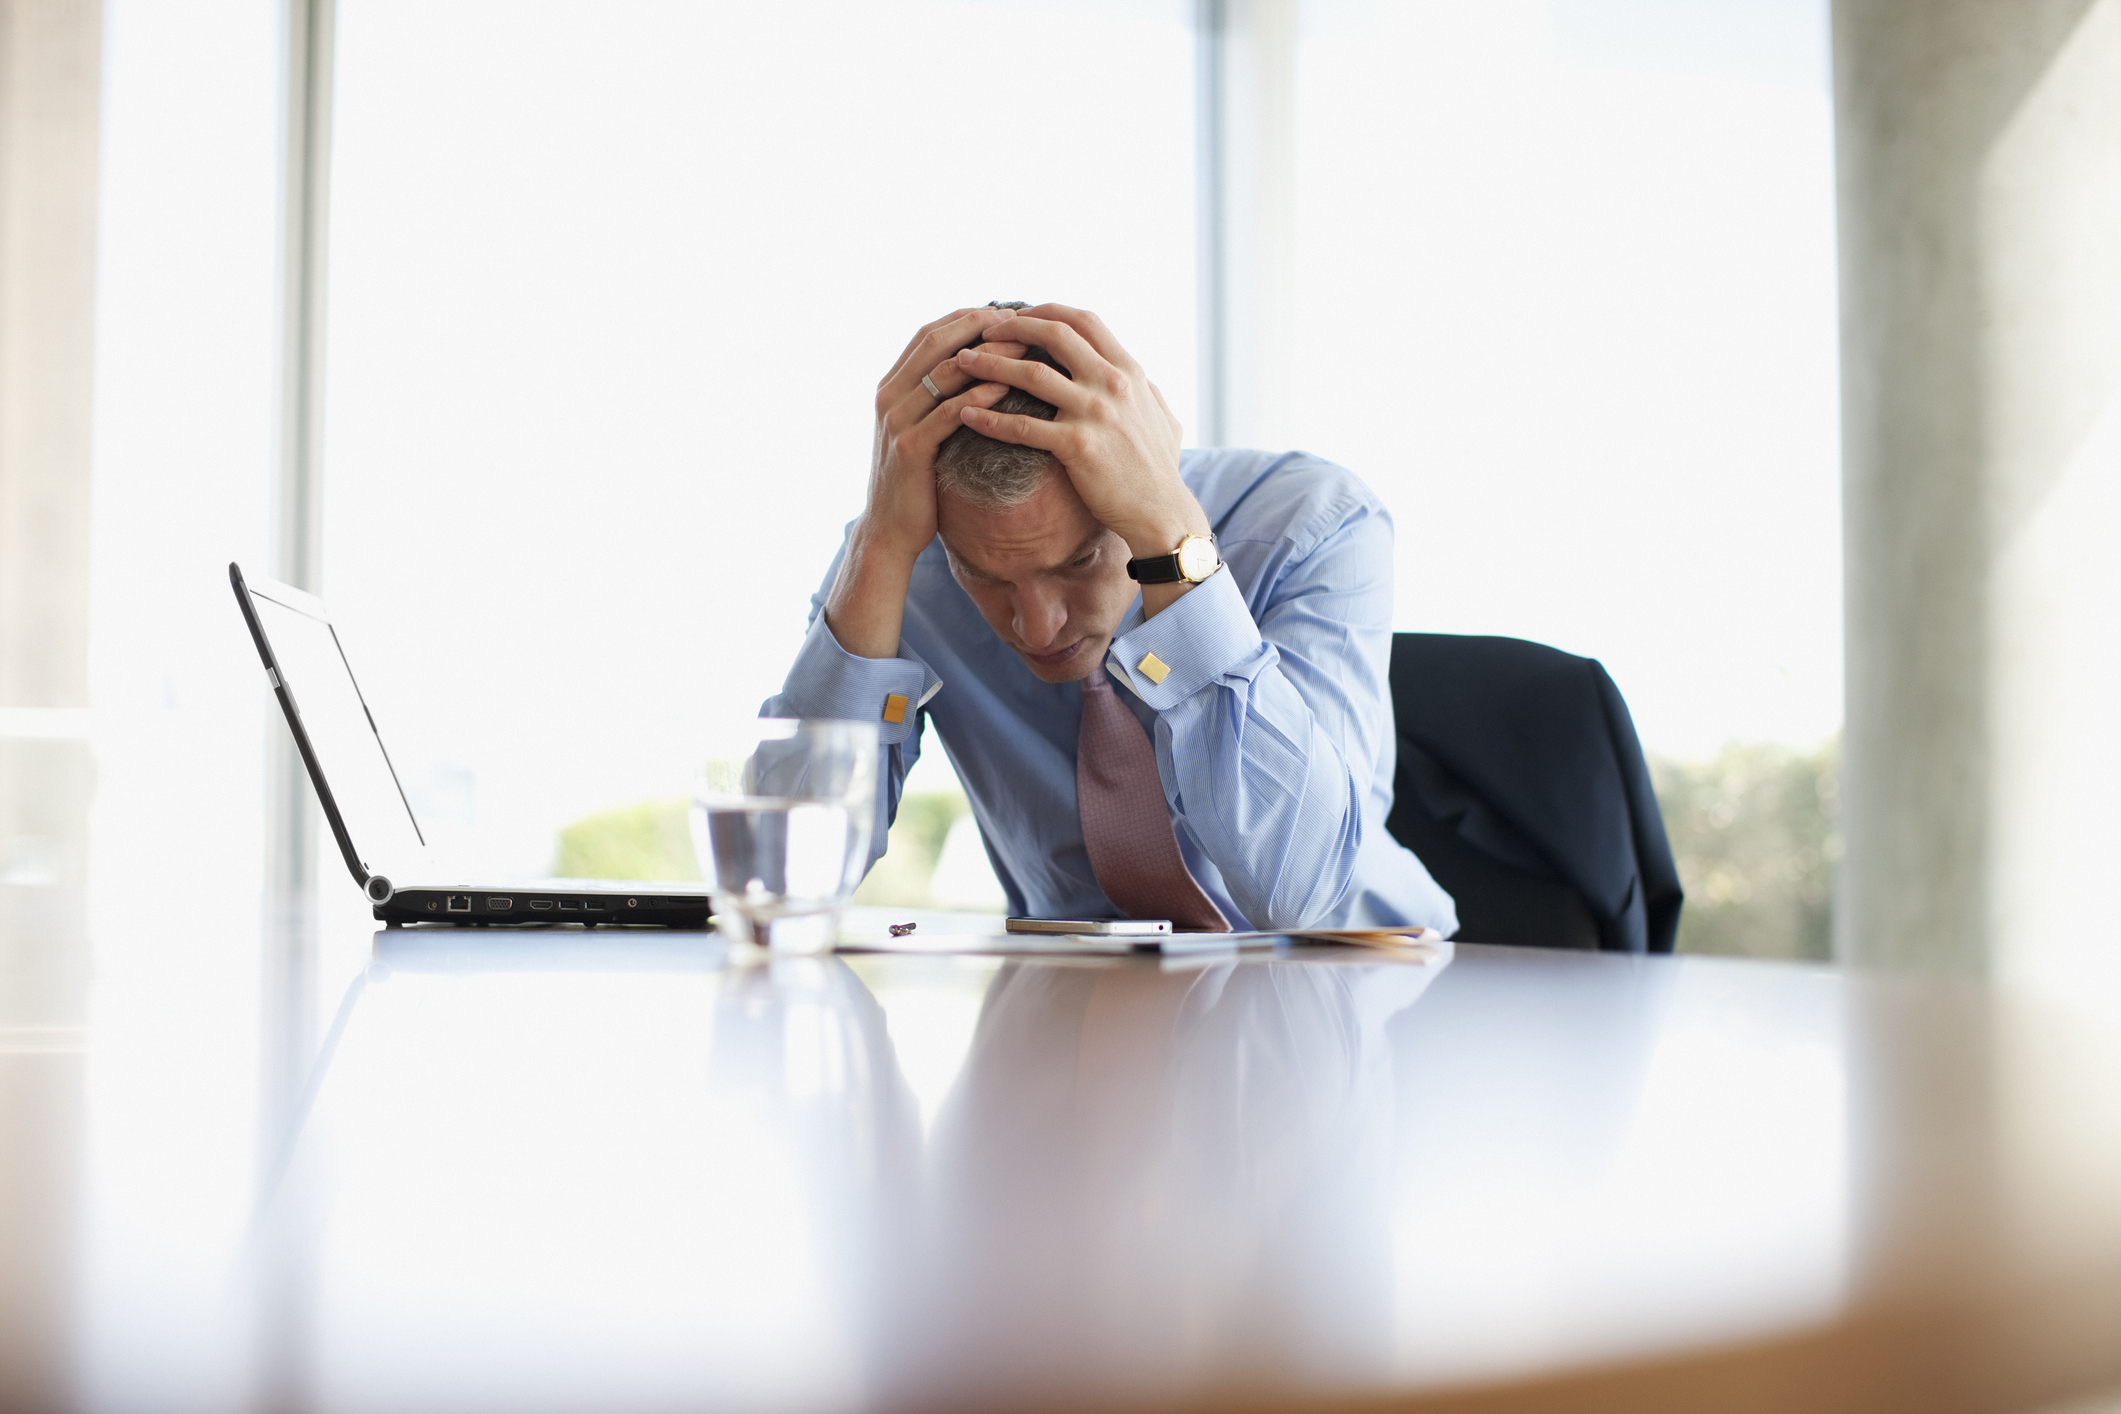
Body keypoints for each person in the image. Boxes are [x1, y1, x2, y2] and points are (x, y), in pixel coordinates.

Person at [763, 302, 1454, 933]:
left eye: (1079, 561)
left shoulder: (1313, 524)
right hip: (1077, 1009)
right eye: (984, 575)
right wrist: (879, 547)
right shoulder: (906, 554)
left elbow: (1299, 896)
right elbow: (781, 877)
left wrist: (1173, 543)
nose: (1037, 628)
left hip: (1373, 991)